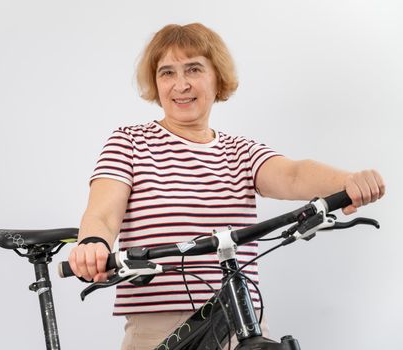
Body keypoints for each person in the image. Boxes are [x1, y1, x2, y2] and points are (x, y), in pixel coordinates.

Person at [68, 23, 385, 350]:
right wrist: (94, 242)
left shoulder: (241, 151)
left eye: (193, 69)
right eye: (167, 73)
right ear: (156, 83)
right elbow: (103, 214)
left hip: (238, 314)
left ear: (217, 77)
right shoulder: (129, 142)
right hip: (157, 322)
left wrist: (348, 182)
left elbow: (292, 174)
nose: (181, 84)